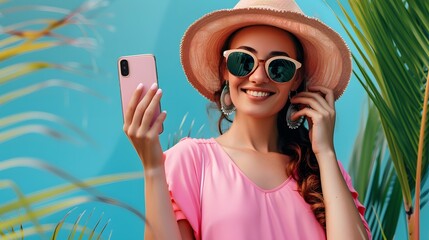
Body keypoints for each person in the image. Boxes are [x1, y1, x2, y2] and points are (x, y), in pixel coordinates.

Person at [123, 0, 372, 239]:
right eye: (243, 61)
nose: (258, 77)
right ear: (225, 70)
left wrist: (325, 152)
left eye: (279, 66)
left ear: (296, 79)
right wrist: (153, 168)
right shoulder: (191, 162)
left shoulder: (324, 172)